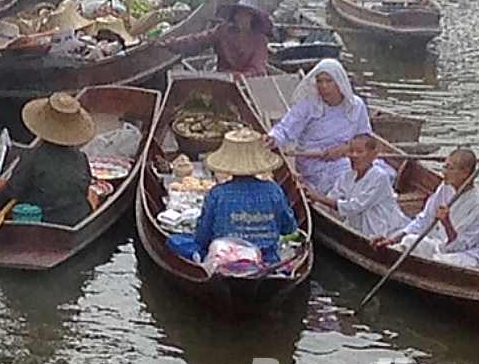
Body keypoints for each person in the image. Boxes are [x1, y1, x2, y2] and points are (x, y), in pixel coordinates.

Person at [172, 128, 297, 265]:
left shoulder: (217, 193)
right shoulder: (273, 190)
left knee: (175, 241)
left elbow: (203, 236)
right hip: (266, 259)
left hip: (224, 259)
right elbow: (288, 228)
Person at [265, 59, 386, 194]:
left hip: (350, 156)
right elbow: (285, 128)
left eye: (329, 81)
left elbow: (365, 138)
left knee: (381, 173)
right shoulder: (308, 105)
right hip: (314, 162)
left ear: (339, 83)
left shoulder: (356, 106)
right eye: (320, 81)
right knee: (349, 177)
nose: (324, 86)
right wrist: (273, 138)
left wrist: (345, 148)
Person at [372, 148, 479, 270]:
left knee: (439, 261)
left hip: (474, 255)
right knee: (409, 240)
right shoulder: (445, 188)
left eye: (449, 168)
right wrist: (394, 239)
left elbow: (460, 246)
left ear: (465, 173)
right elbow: (423, 220)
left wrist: (447, 223)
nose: (443, 172)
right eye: (444, 166)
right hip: (443, 245)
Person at [0, 92, 95, 226]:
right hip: (77, 217)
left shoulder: (32, 156)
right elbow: (84, 189)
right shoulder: (81, 158)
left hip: (41, 219)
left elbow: (13, 191)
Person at [305, 134, 409, 238]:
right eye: (351, 151)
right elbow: (332, 197)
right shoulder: (347, 176)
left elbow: (355, 206)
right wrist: (312, 198)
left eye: (359, 152)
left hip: (383, 230)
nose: (354, 156)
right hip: (357, 227)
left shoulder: (380, 177)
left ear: (372, 155)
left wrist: (319, 198)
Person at [160, 0, 271, 76]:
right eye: (239, 14)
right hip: (221, 78)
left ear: (253, 18)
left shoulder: (260, 40)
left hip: (247, 84)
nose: (241, 18)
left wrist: (240, 76)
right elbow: (197, 41)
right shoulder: (223, 31)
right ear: (235, 15)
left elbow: (258, 68)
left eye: (246, 15)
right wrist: (172, 43)